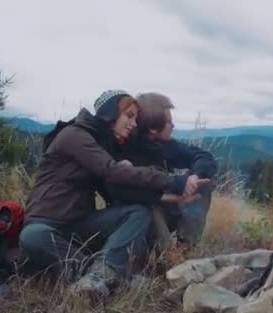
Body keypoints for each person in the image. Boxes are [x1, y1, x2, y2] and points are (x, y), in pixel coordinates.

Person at [19, 89, 208, 297]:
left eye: (136, 118)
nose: (134, 124)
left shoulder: (104, 143)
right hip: (47, 222)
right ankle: (107, 276)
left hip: (80, 223)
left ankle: (100, 275)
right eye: (129, 116)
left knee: (136, 213)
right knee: (32, 236)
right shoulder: (74, 135)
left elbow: (114, 188)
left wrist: (163, 197)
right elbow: (111, 171)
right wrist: (174, 181)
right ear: (110, 114)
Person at [101, 92, 217, 253]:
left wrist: (194, 177)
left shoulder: (165, 146)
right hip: (138, 217)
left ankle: (186, 247)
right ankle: (165, 256)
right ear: (154, 128)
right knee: (148, 206)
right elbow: (120, 192)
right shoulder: (122, 149)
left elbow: (204, 157)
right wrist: (171, 193)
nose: (173, 126)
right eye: (169, 121)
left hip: (168, 207)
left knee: (202, 184)